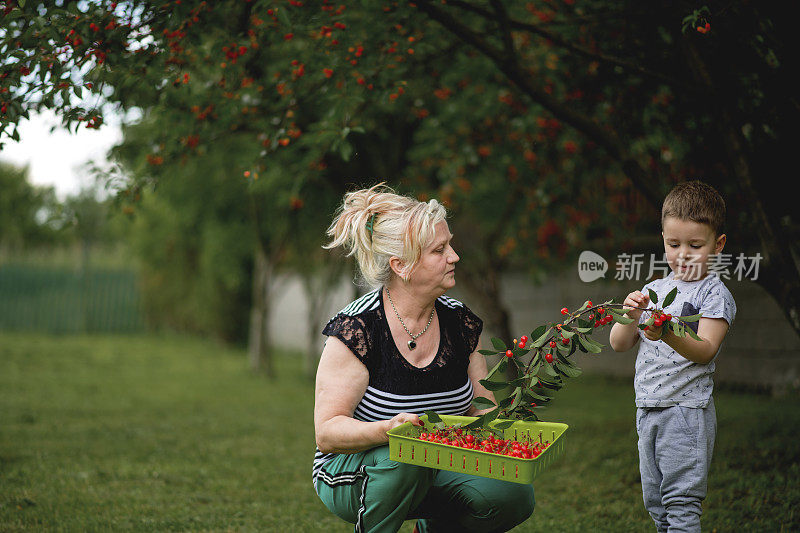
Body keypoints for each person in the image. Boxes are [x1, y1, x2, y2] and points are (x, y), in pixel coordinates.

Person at [313, 184, 535, 532]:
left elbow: (482, 409)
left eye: (450, 245)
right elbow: (328, 433)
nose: (454, 256)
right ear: (402, 266)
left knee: (511, 494)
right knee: (406, 454)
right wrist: (388, 429)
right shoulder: (357, 330)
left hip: (433, 464)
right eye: (439, 250)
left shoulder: (460, 323)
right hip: (351, 471)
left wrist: (510, 425)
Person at [609, 180, 737, 532]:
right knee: (657, 504)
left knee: (681, 504)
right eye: (673, 243)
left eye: (695, 245)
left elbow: (705, 349)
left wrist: (666, 330)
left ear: (718, 244)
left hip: (685, 413)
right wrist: (631, 316)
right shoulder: (656, 290)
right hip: (648, 409)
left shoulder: (715, 293)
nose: (682, 254)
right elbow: (619, 343)